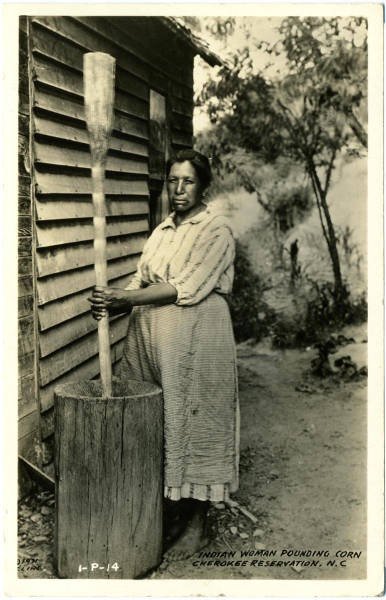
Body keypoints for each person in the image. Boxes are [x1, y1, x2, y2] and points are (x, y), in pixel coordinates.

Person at [89, 149, 239, 559]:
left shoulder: (216, 231)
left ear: (203, 185)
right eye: (172, 181)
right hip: (150, 336)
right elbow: (141, 277)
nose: (178, 189)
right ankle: (168, 509)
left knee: (196, 419)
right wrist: (112, 297)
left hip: (197, 337)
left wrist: (128, 297)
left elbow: (185, 287)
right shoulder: (163, 231)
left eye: (187, 181)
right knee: (157, 416)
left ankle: (197, 522)